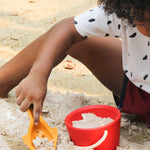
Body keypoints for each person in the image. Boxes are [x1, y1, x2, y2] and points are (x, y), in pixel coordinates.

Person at [0, 0, 150, 126]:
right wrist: (37, 75)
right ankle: (2, 80)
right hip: (137, 87)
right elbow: (68, 28)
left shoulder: (141, 12)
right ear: (130, 10)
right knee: (70, 40)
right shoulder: (127, 12)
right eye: (146, 22)